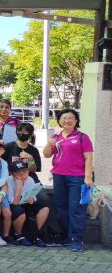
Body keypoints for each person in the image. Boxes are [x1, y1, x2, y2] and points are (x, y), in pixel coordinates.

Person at [43, 108, 94, 252]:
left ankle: (77, 239)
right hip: (59, 176)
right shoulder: (56, 137)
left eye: (71, 118)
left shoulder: (82, 137)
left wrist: (88, 177)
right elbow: (46, 155)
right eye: (64, 118)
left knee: (76, 209)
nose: (67, 120)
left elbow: (88, 158)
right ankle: (67, 236)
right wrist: (49, 143)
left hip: (77, 178)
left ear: (76, 121)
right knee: (61, 208)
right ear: (59, 120)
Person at [5, 160, 51, 247]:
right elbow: (13, 202)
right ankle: (18, 234)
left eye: (25, 171)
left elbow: (33, 194)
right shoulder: (9, 181)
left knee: (45, 208)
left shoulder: (30, 179)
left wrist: (32, 199)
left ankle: (35, 235)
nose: (23, 173)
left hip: (26, 203)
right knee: (19, 211)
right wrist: (19, 185)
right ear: (13, 174)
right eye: (19, 172)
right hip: (14, 205)